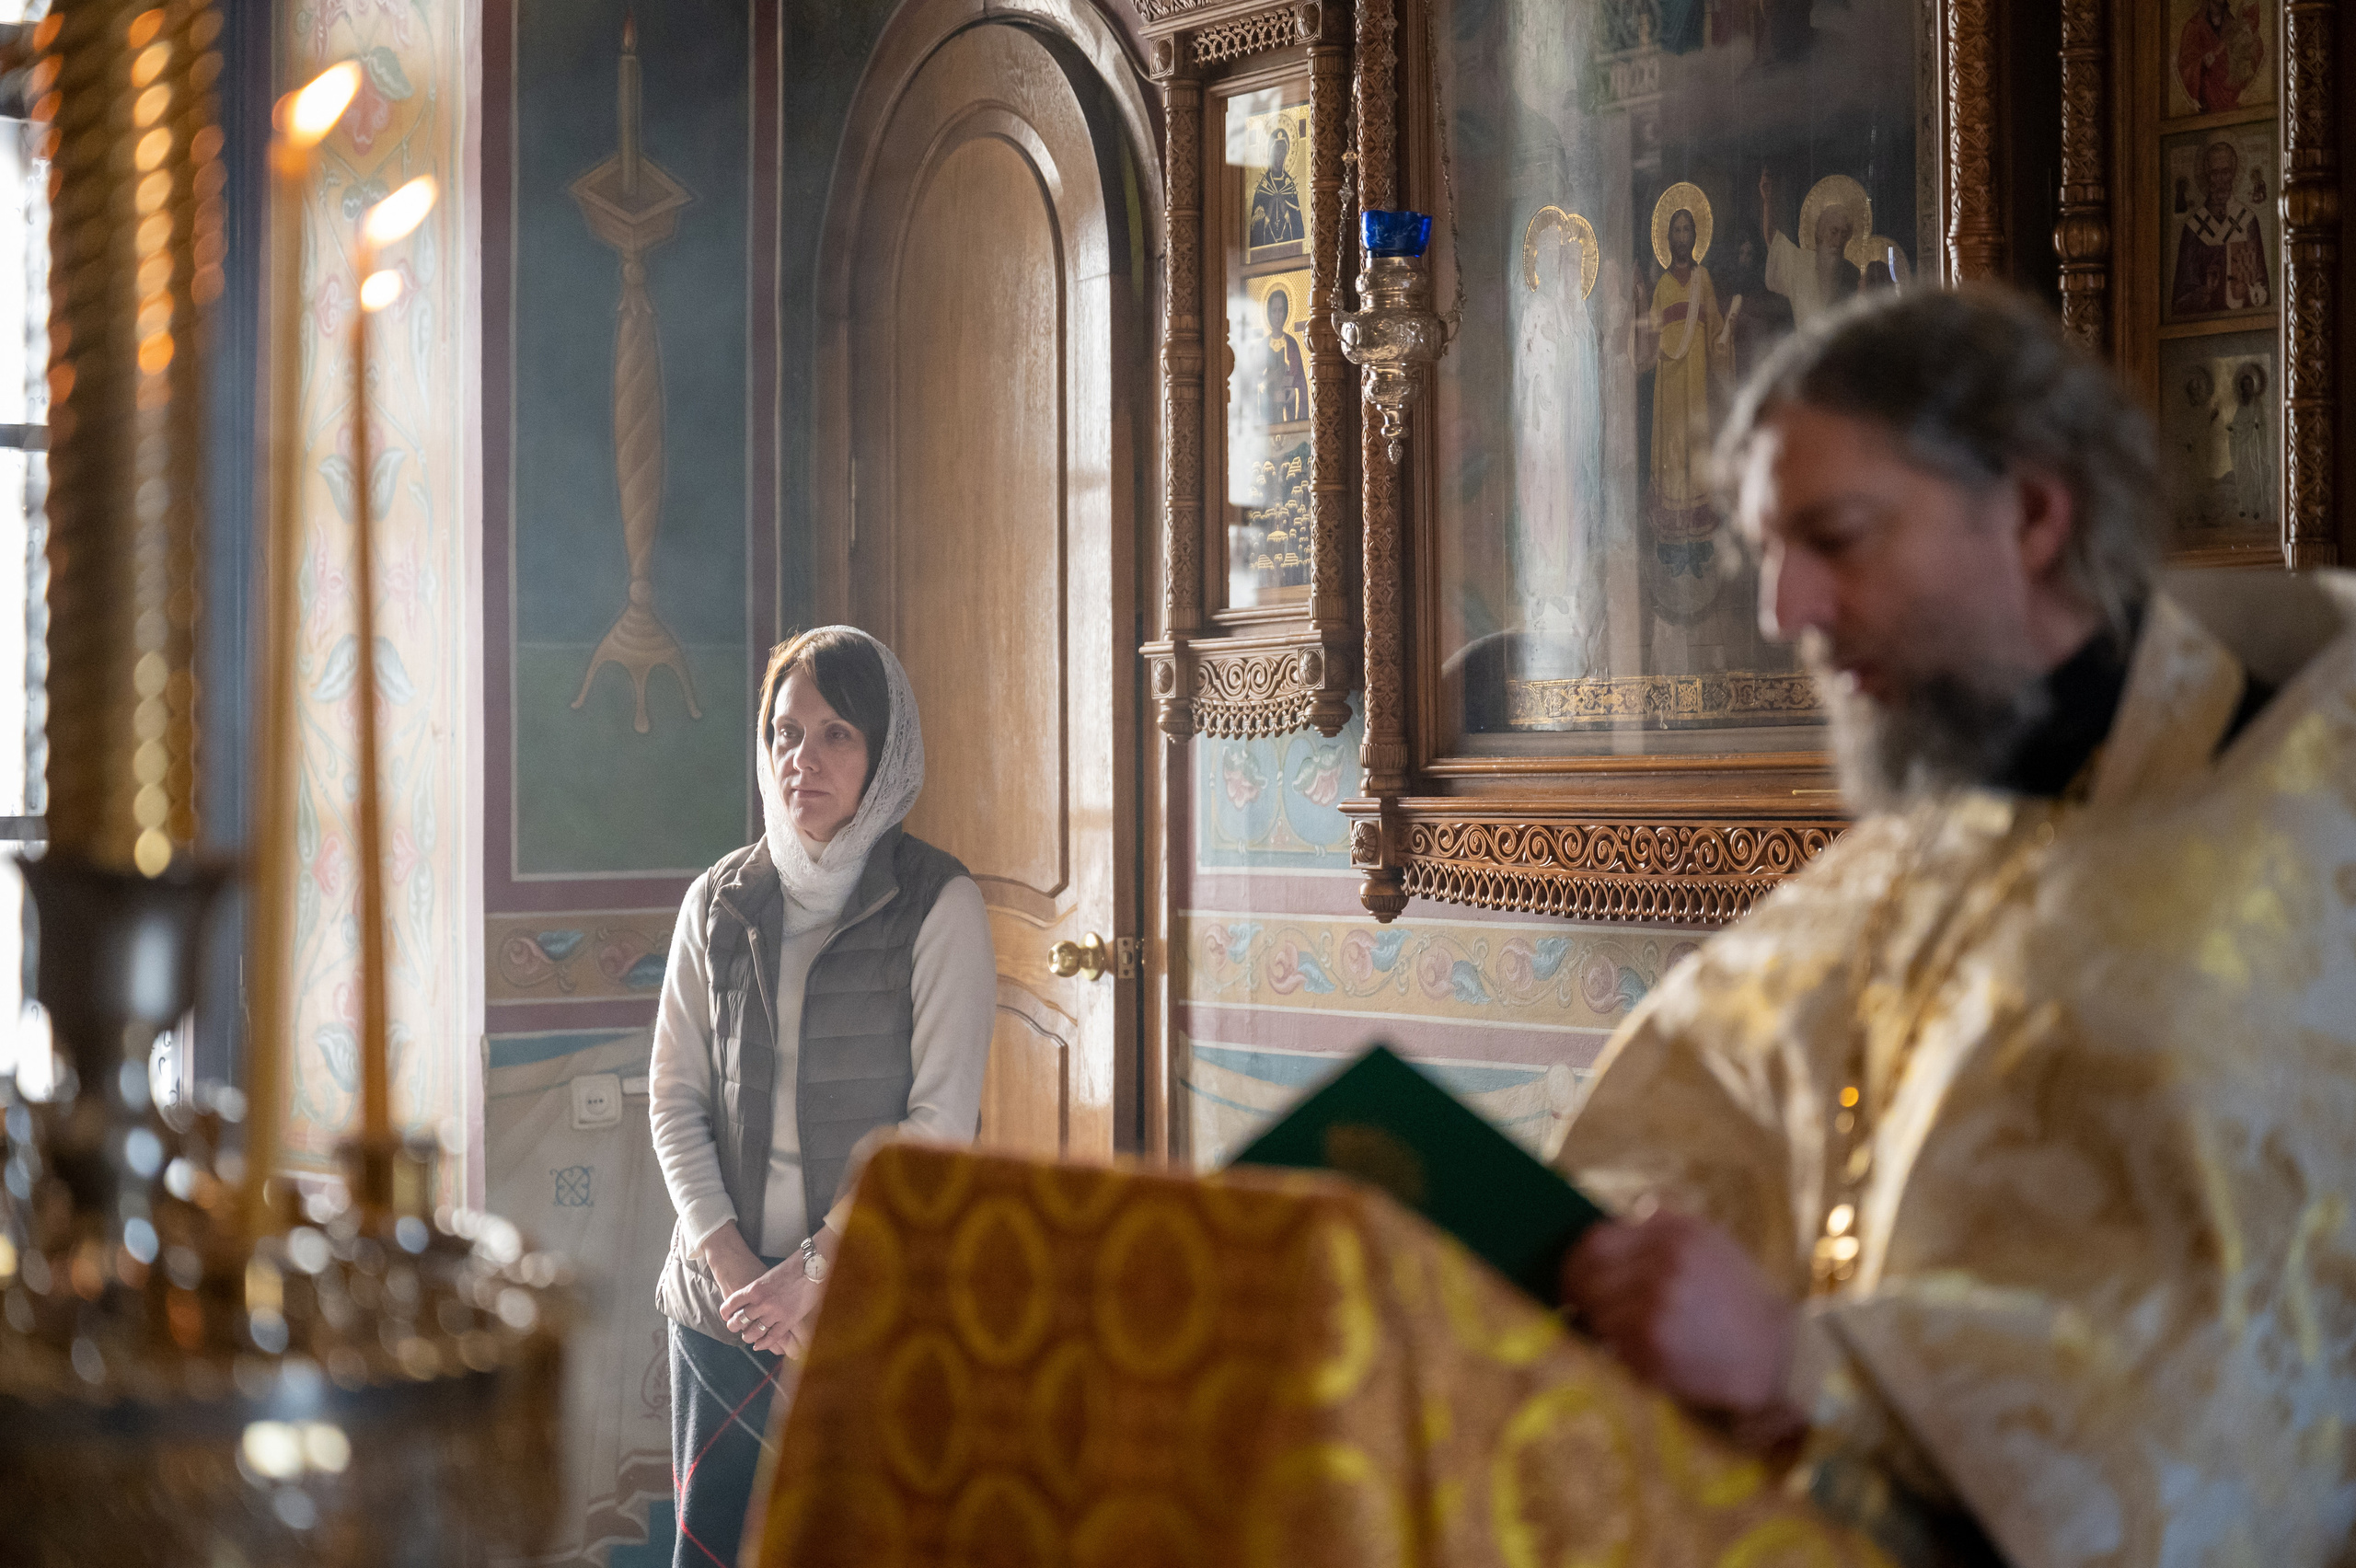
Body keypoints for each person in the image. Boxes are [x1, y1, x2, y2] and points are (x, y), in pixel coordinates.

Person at [1553, 288, 2356, 1565]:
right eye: (1768, 549)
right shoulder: (1911, 848)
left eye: (1838, 536)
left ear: (2036, 514)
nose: (1788, 610)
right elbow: (1688, 1126)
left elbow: (2256, 1351)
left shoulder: (2302, 838)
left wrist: (1805, 1362)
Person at [648, 626, 996, 1568]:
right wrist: (734, 1275)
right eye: (785, 732)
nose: (804, 758)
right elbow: (673, 1100)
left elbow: (938, 1127)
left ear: (885, 751)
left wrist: (811, 1277)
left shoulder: (938, 903)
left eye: (837, 732)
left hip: (872, 1300)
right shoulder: (716, 901)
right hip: (723, 1308)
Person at [2171, 139, 2269, 317]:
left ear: (2234, 174)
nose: (2221, 180)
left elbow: (2263, 288)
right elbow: (2179, 302)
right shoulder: (2193, 228)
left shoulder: (2248, 221)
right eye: (2215, 173)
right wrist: (2205, 292)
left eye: (2226, 172)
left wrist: (2247, 290)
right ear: (2207, 175)